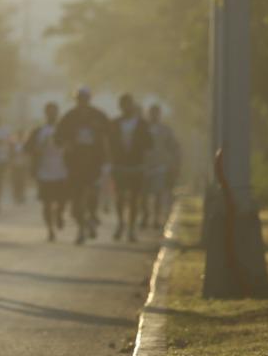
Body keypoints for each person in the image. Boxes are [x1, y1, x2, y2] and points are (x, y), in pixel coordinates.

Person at [56, 87, 111, 244]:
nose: (82, 102)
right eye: (79, 99)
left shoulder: (98, 116)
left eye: (84, 98)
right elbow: (58, 137)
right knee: (75, 199)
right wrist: (67, 143)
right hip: (74, 162)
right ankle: (82, 226)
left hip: (94, 161)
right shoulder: (69, 117)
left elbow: (111, 134)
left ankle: (92, 217)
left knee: (92, 192)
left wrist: (107, 154)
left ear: (89, 99)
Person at [109, 93, 153, 242]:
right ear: (120, 106)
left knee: (134, 198)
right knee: (120, 196)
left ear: (132, 105)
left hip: (136, 165)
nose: (126, 107)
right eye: (123, 104)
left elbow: (149, 144)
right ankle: (121, 222)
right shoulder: (114, 123)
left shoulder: (141, 124)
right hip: (119, 165)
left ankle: (131, 228)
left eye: (128, 104)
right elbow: (108, 143)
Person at [26, 102, 70, 241]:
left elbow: (72, 147)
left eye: (54, 112)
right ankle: (50, 230)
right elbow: (26, 148)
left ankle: (59, 214)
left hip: (62, 171)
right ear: (45, 114)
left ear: (57, 114)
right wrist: (37, 150)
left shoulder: (64, 130)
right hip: (44, 172)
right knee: (46, 202)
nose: (52, 115)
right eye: (49, 112)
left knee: (62, 200)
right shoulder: (38, 131)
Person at [144, 104, 181, 229]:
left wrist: (174, 162)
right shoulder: (143, 128)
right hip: (144, 165)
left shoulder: (165, 130)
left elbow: (173, 146)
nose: (153, 115)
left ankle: (156, 218)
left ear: (159, 114)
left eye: (156, 113)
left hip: (160, 165)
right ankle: (145, 216)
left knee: (158, 193)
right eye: (151, 113)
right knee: (143, 194)